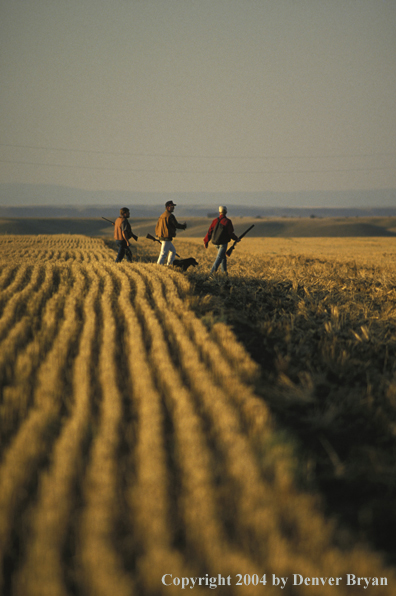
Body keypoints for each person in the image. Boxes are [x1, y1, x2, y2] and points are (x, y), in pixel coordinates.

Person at [204, 206, 239, 274]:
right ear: (226, 212)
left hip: (215, 243)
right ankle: (211, 273)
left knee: (223, 257)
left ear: (219, 212)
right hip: (223, 244)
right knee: (219, 258)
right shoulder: (227, 221)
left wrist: (206, 241)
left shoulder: (215, 221)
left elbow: (209, 232)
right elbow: (230, 233)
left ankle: (224, 273)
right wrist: (236, 239)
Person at [155, 200, 187, 265]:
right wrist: (183, 226)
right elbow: (176, 225)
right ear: (167, 207)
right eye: (172, 206)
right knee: (163, 253)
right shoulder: (170, 216)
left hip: (162, 237)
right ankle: (158, 266)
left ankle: (169, 265)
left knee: (173, 251)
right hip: (166, 238)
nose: (173, 207)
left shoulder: (162, 216)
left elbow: (157, 227)